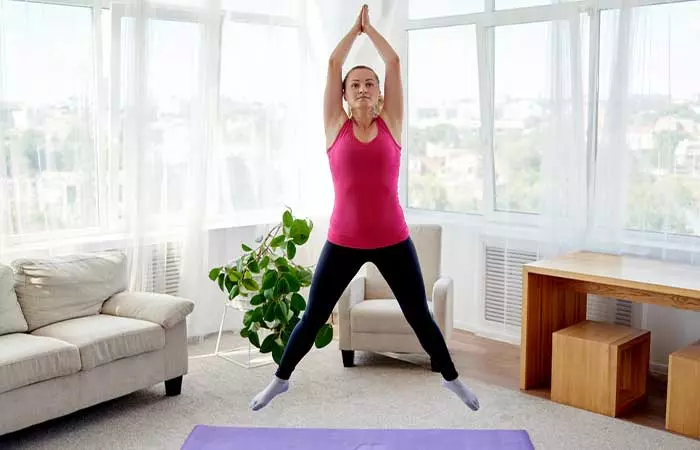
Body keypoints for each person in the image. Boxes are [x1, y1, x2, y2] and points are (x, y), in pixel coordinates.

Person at [250, 4, 480, 413]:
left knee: (419, 316)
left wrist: (369, 31)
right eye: (354, 84)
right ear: (343, 93)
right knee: (312, 316)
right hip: (343, 241)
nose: (361, 88)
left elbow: (392, 60)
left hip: (393, 239)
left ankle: (452, 379)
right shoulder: (333, 127)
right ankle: (279, 381)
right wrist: (352, 33)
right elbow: (333, 61)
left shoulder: (392, 122)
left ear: (380, 93)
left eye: (369, 83)